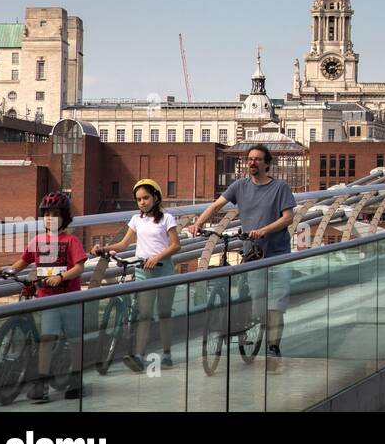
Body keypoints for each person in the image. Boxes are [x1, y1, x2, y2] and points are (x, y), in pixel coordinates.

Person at [186, 144, 296, 372]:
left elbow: (287, 218)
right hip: (252, 253)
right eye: (250, 159)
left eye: (257, 159)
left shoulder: (280, 188)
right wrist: (198, 223)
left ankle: (273, 349)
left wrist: (264, 230)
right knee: (258, 305)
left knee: (275, 306)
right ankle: (254, 336)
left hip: (277, 255)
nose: (252, 163)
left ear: (267, 164)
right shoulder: (240, 186)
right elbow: (217, 205)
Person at [2, 192, 87, 402]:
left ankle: (76, 379)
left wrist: (61, 277)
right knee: (46, 339)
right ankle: (42, 382)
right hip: (46, 297)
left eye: (55, 214)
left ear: (65, 217)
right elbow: (23, 261)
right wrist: (7, 270)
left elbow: (79, 267)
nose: (50, 217)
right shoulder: (37, 240)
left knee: (74, 339)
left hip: (69, 297)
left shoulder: (71, 241)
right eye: (47, 214)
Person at [92, 179, 181, 372]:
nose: (142, 202)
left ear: (155, 197)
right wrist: (103, 248)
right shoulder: (136, 219)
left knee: (164, 313)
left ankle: (166, 354)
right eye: (138, 199)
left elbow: (176, 245)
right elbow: (124, 244)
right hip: (142, 270)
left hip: (163, 269)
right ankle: (139, 356)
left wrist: (157, 257)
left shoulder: (167, 218)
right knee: (145, 314)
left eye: (146, 198)